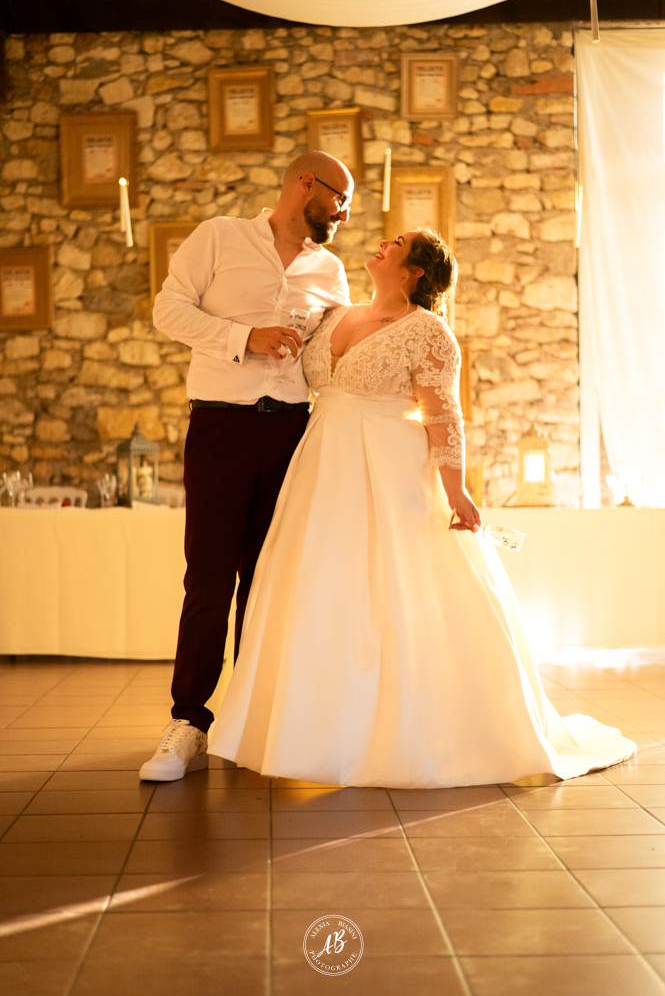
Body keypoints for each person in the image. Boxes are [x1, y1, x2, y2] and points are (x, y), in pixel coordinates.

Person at [206, 228, 636, 788]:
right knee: (317, 585)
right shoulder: (336, 314)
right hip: (319, 463)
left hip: (387, 467)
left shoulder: (430, 332)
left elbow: (443, 415)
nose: (384, 244)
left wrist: (456, 490)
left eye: (398, 244)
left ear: (415, 272)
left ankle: (405, 729)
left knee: (392, 590)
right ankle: (310, 727)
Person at [139, 152, 353, 781]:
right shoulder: (219, 236)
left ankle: (252, 722)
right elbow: (168, 310)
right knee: (208, 580)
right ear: (304, 184)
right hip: (220, 424)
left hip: (293, 432)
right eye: (338, 197)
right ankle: (188, 724)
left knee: (268, 584)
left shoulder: (331, 270)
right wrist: (244, 339)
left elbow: (331, 355)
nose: (343, 212)